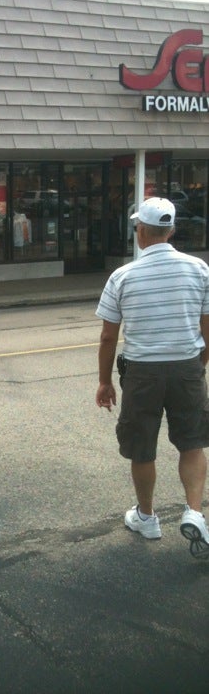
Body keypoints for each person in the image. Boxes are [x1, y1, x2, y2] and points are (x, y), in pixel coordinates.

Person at [95, 197, 209, 559]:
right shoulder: (199, 270)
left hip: (143, 372)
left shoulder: (123, 276)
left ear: (140, 231)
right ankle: (194, 512)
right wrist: (199, 363)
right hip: (187, 366)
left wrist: (104, 382)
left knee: (142, 446)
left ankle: (147, 517)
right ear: (171, 230)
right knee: (192, 442)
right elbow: (208, 328)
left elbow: (108, 337)